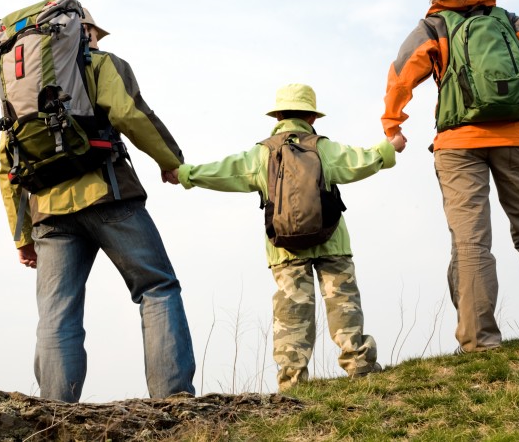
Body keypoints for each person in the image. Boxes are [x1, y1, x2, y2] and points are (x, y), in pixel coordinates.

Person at [382, 0, 519, 353]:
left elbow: (402, 72)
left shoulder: (434, 26)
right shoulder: (507, 19)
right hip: (516, 138)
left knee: (471, 243)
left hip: (457, 145)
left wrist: (393, 125)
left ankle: (479, 339)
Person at [0, 6, 196, 401]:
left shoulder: (18, 89)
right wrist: (171, 161)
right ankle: (172, 401)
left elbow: (7, 162)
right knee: (156, 286)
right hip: (109, 194)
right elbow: (129, 114)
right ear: (80, 31)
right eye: (96, 34)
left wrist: (21, 236)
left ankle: (54, 412)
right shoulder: (103, 65)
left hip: (48, 213)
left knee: (56, 315)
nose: (98, 41)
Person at [171, 83, 402, 391]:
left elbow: (224, 171)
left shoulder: (261, 154)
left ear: (277, 115)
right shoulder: (323, 147)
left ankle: (292, 382)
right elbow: (360, 160)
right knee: (343, 302)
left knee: (292, 312)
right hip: (331, 239)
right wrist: (389, 148)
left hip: (284, 247)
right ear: (312, 117)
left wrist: (186, 174)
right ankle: (359, 364)